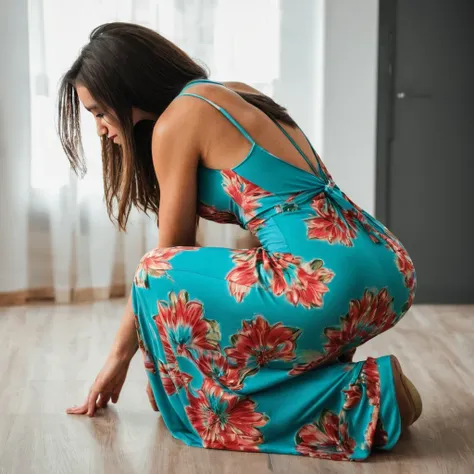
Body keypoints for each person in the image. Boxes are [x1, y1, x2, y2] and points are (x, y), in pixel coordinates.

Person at [59, 22, 421, 461]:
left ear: (125, 88)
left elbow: (172, 254)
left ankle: (364, 398)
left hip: (325, 277)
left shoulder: (176, 122)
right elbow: (273, 219)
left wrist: (120, 361)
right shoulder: (231, 93)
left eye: (98, 112)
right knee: (230, 308)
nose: (99, 129)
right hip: (384, 264)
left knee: (153, 274)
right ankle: (339, 385)